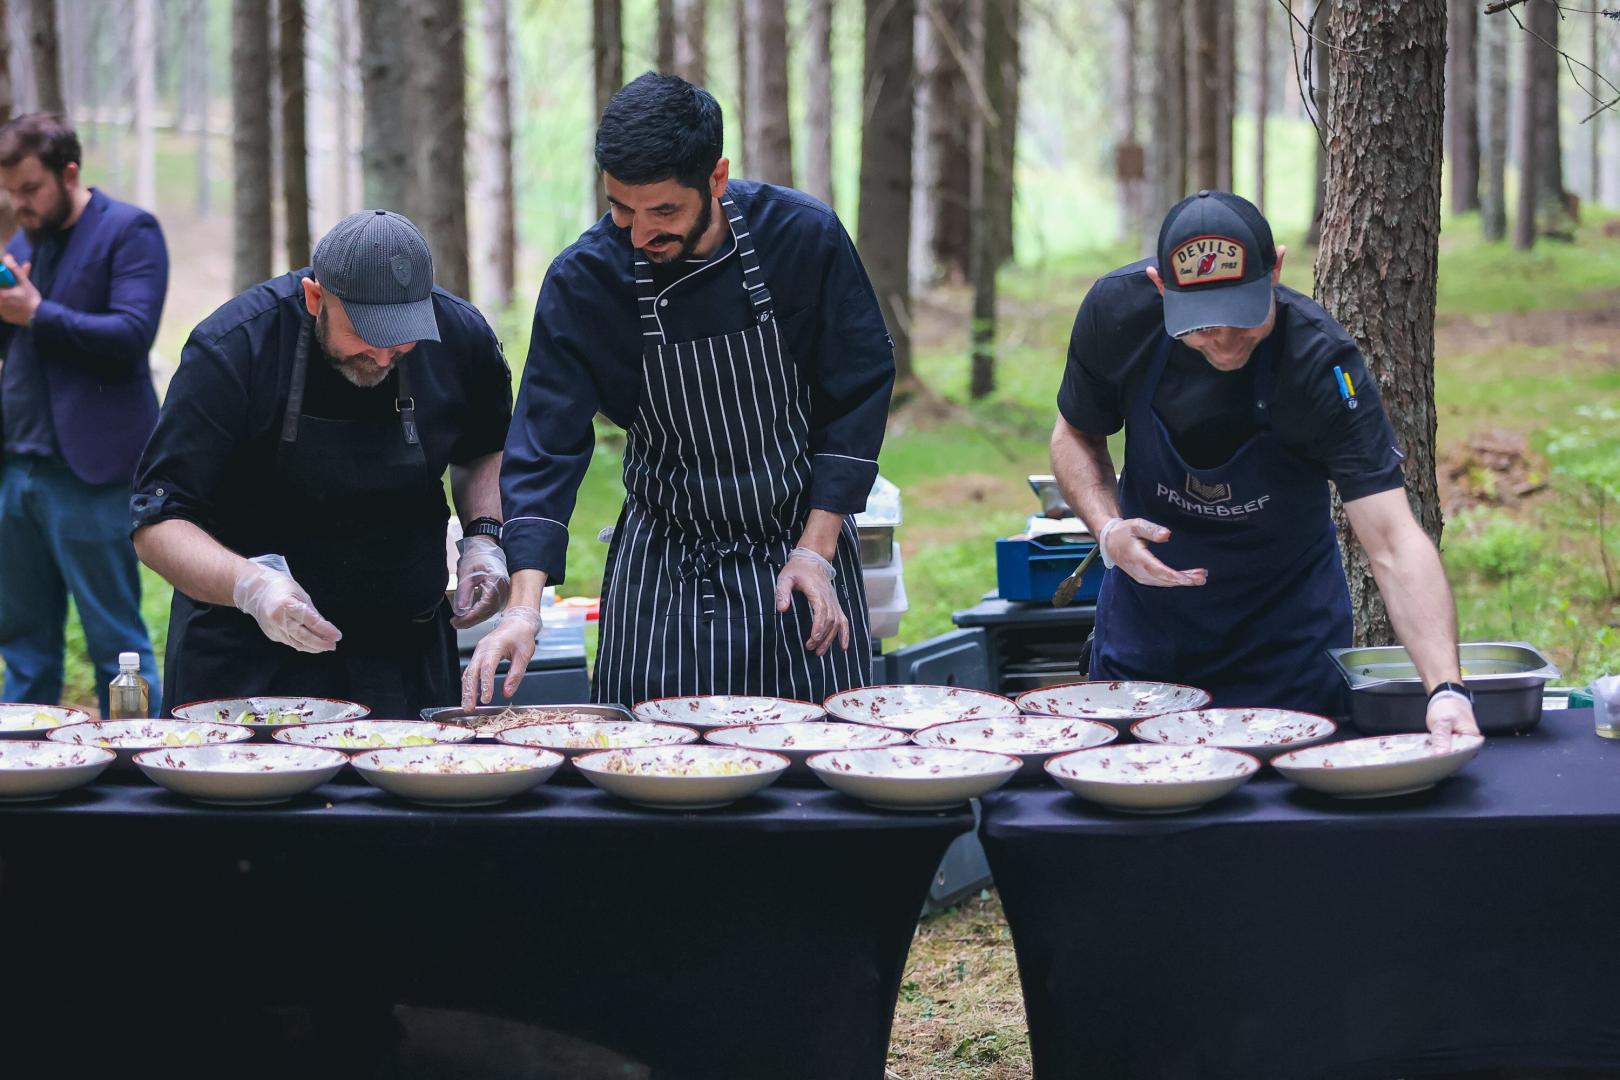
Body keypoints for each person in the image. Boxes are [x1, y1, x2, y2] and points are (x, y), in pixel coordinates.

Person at [465, 73, 894, 708]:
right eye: (620, 209)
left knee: (815, 763)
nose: (639, 234)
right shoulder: (586, 281)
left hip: (799, 548)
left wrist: (818, 548)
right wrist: (523, 610)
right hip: (664, 562)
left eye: (664, 211)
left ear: (716, 179)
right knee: (645, 761)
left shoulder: (802, 239)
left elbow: (858, 392)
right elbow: (544, 446)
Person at [1050, 190, 1479, 738]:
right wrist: (1108, 529)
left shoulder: (1323, 365)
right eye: (1202, 325)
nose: (1225, 342)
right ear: (1162, 288)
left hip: (1287, 650)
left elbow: (1394, 541)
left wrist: (1445, 691)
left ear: (1275, 269)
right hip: (1147, 641)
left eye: (1242, 317)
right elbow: (1075, 433)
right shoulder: (1118, 315)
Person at [131, 210, 513, 718]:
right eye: (365, 335)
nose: (382, 357)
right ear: (316, 297)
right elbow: (157, 522)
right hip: (247, 662)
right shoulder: (234, 348)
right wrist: (251, 587)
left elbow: (484, 447)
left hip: (403, 653)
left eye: (401, 339)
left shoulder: (460, 336)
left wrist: (484, 540)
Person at [0, 113, 166, 715]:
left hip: (91, 474)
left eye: (29, 189)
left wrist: (37, 313)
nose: (18, 203)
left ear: (68, 173)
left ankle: (141, 777)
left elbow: (131, 334)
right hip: (17, 470)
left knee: (116, 645)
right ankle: (20, 782)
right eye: (10, 192)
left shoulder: (129, 231)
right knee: (22, 649)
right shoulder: (24, 244)